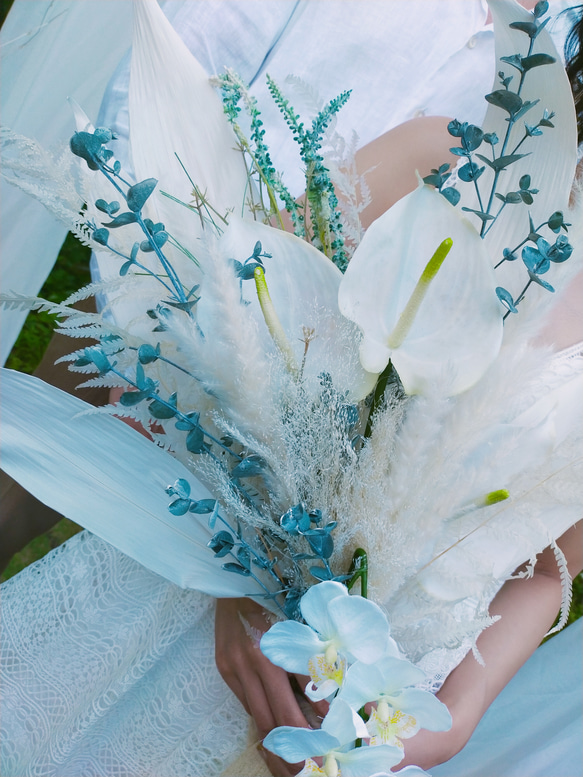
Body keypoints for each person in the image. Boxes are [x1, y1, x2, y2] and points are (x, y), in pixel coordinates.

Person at [1, 3, 582, 777]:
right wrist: (240, 580)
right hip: (186, 597)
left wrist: (453, 720)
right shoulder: (451, 164)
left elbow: (548, 567)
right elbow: (224, 327)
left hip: (357, 721)